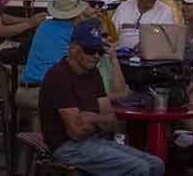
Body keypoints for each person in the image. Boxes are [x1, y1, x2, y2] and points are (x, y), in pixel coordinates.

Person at [39, 21, 165, 176]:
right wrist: (100, 122)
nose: (96, 56)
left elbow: (111, 121)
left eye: (99, 51)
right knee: (139, 169)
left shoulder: (93, 73)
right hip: (67, 147)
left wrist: (91, 118)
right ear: (73, 49)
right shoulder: (59, 76)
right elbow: (77, 132)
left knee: (156, 164)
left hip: (94, 140)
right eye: (90, 51)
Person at [18, 0, 118, 121]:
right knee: (104, 99)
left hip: (26, 88)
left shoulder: (45, 25)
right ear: (78, 11)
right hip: (46, 91)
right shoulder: (75, 32)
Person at [111, 0, 177, 51]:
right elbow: (112, 33)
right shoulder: (124, 7)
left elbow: (167, 40)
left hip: (152, 57)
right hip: (122, 54)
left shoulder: (165, 11)